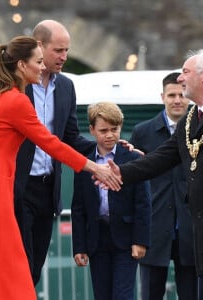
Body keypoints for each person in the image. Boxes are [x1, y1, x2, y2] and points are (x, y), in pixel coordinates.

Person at [0, 36, 119, 300]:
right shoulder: (16, 101)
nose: (41, 67)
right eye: (37, 62)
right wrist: (96, 168)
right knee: (10, 264)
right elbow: (49, 143)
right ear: (22, 66)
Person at [102, 49, 203, 300]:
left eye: (185, 72)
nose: (180, 79)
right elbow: (161, 157)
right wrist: (120, 173)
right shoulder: (191, 118)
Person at [71, 101, 151, 300]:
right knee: (102, 295)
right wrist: (80, 246)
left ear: (121, 127)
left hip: (125, 239)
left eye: (114, 129)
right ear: (91, 130)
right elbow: (78, 207)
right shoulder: (85, 162)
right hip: (97, 240)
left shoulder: (133, 158)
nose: (109, 135)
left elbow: (143, 203)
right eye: (103, 130)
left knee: (123, 295)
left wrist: (140, 241)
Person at [130, 72, 197, 300]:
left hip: (190, 226)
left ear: (188, 96)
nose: (177, 100)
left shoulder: (201, 130)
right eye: (171, 95)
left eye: (181, 94)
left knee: (191, 293)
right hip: (154, 225)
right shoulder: (143, 132)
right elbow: (136, 182)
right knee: (150, 293)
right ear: (162, 97)